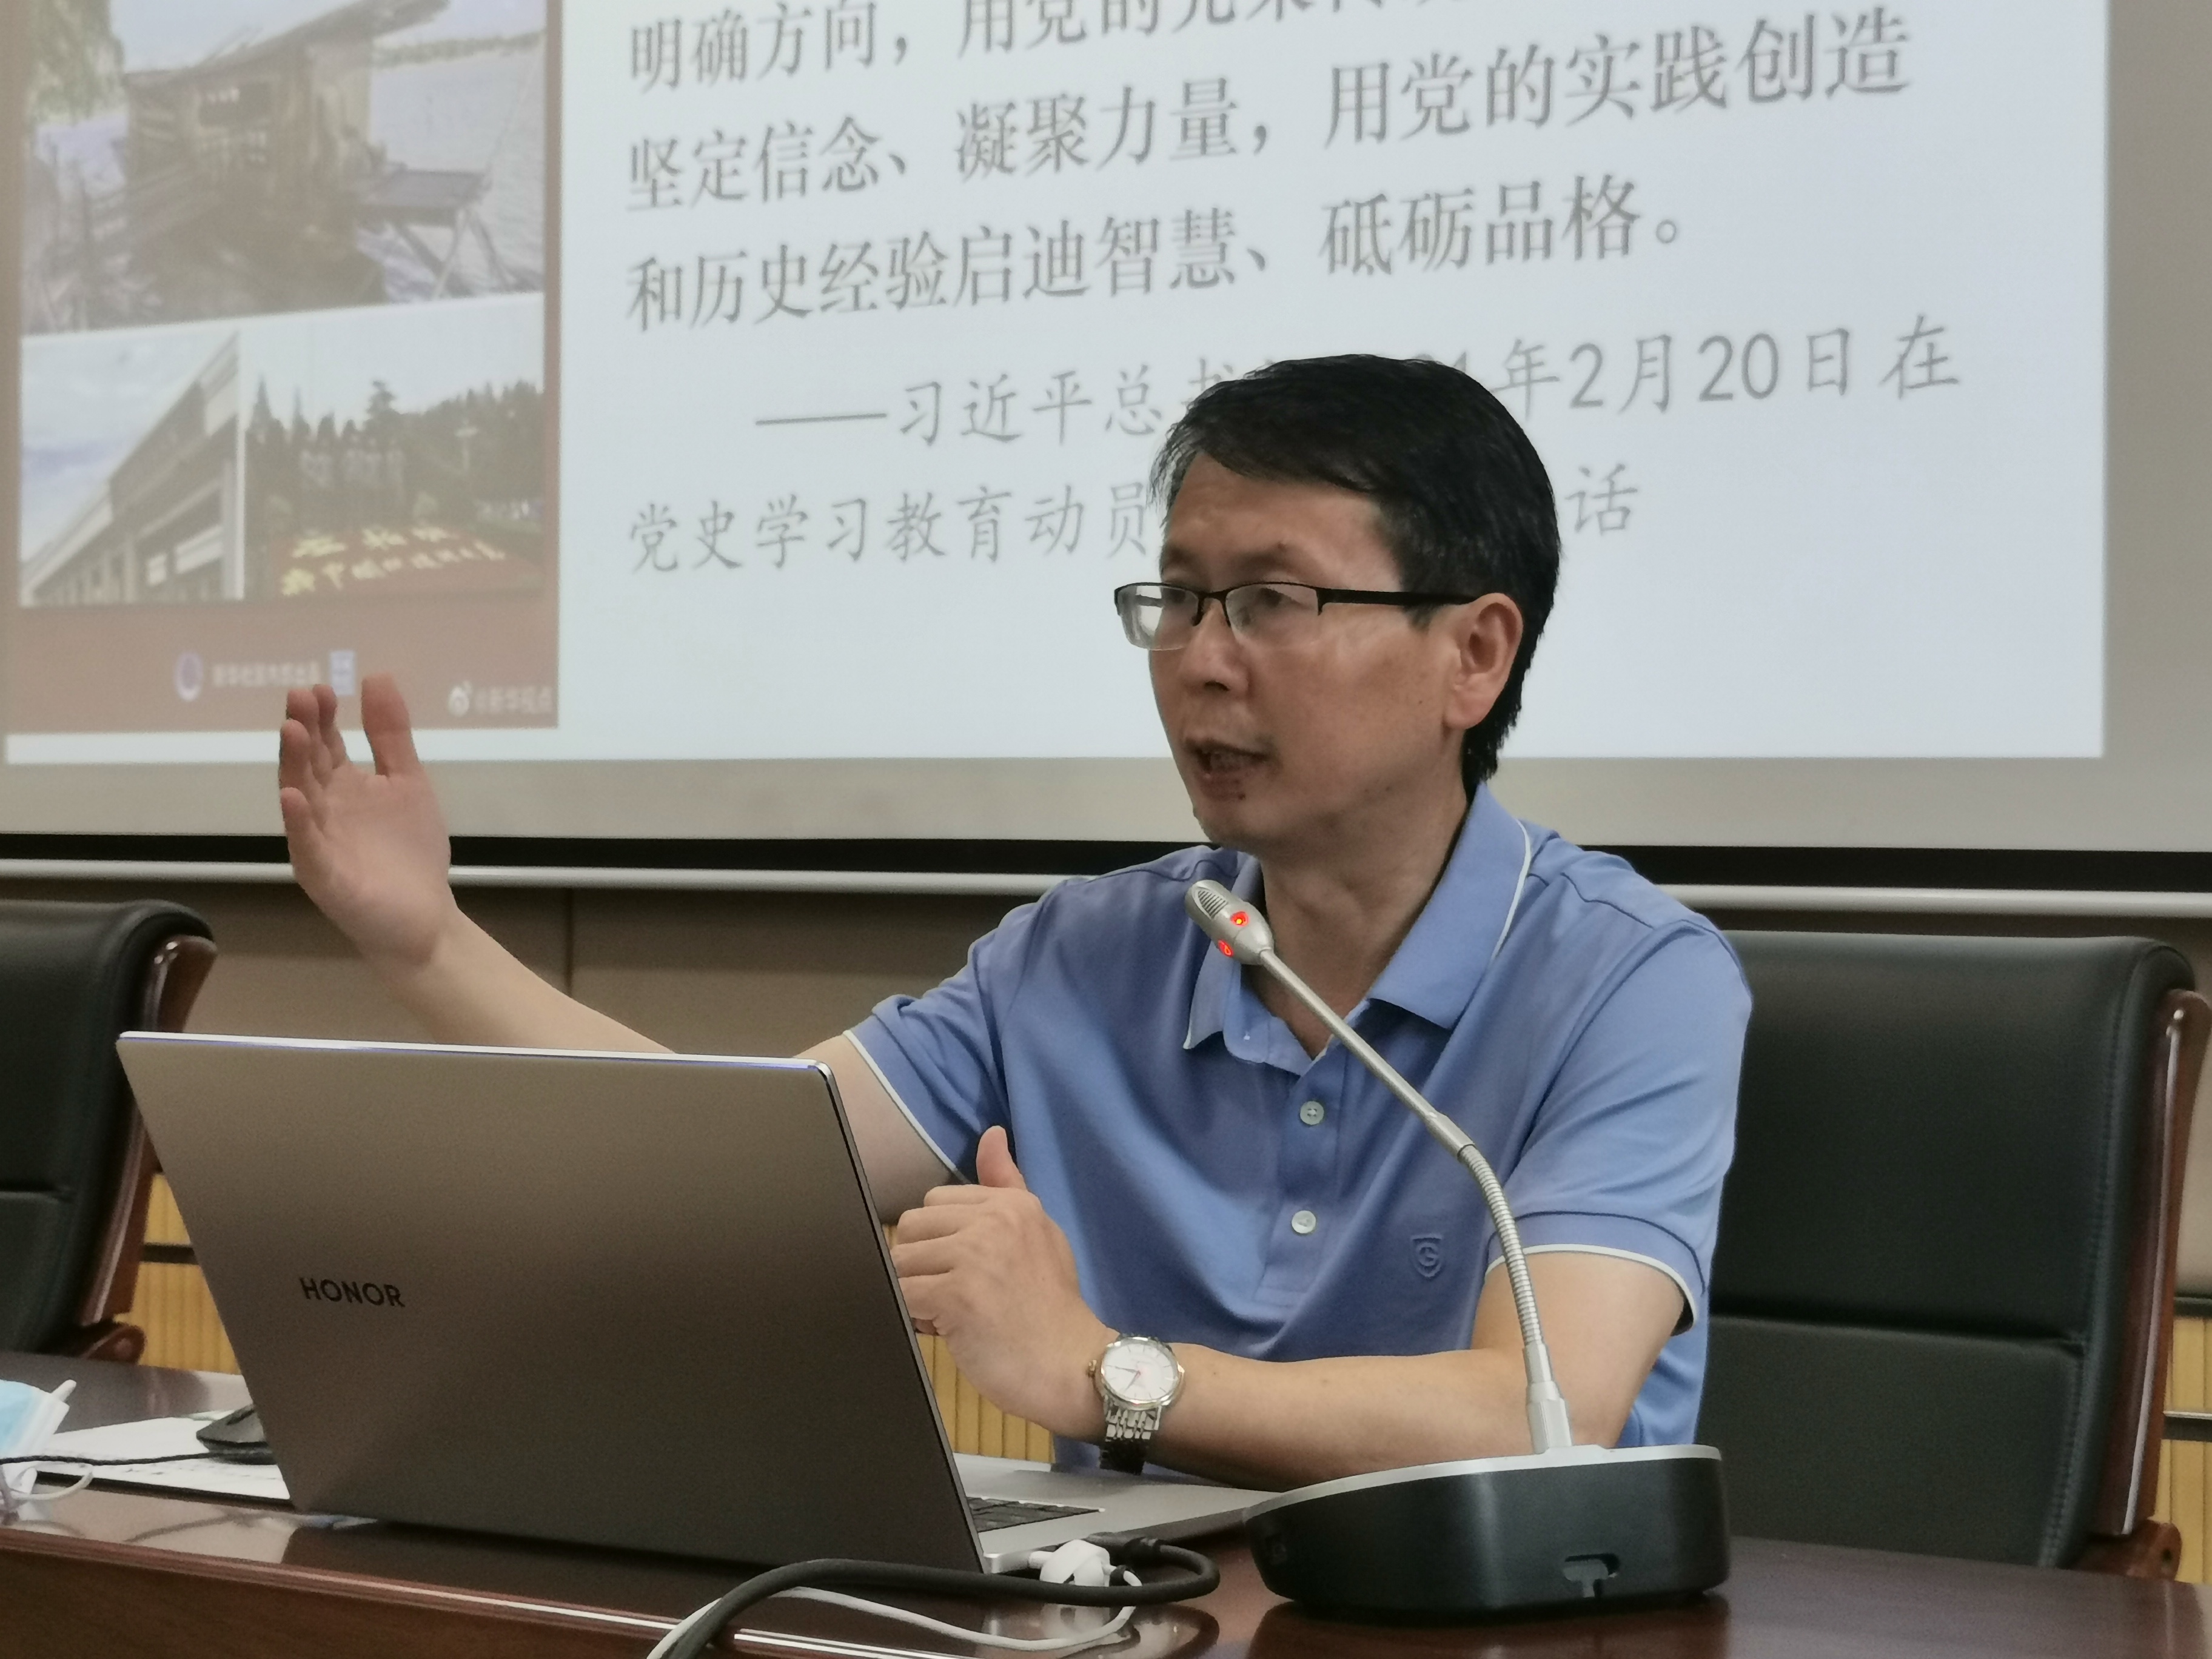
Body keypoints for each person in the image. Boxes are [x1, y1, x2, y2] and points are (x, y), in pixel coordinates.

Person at [276, 355, 1747, 1493]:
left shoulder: (1631, 980)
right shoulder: (1085, 955)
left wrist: (1106, 1374)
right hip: (1140, 1620)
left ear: (1473, 654)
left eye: (1269, 601)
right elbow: (722, 1168)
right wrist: (426, 941)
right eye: (1178, 600)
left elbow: (1538, 1412)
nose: (1200, 662)